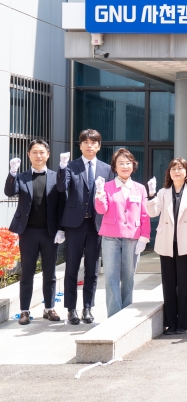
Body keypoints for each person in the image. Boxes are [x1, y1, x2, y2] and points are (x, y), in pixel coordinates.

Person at [57, 129, 115, 325]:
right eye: (86, 142)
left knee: (92, 269)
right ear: (80, 145)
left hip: (96, 225)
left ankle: (88, 308)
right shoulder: (70, 166)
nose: (90, 146)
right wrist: (62, 167)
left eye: (94, 142)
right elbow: (61, 187)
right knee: (72, 268)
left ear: (99, 146)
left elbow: (109, 198)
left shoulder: (106, 169)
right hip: (75, 225)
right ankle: (71, 309)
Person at [4, 140, 64, 325]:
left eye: (42, 152)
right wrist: (12, 172)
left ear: (48, 155)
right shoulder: (22, 177)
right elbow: (9, 192)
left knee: (50, 273)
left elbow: (62, 203)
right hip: (28, 232)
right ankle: (24, 311)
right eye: (35, 152)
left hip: (49, 233)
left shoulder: (55, 177)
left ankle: (49, 308)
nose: (39, 155)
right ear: (28, 155)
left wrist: (61, 229)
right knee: (27, 272)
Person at [146, 158, 187, 335]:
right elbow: (152, 213)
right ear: (169, 173)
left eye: (180, 168)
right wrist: (151, 195)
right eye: (173, 168)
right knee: (169, 284)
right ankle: (171, 323)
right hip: (166, 243)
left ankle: (183, 323)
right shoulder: (163, 192)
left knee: (185, 285)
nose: (177, 171)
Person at [94, 148, 150, 318]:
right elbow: (101, 209)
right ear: (115, 167)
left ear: (133, 165)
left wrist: (144, 237)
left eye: (128, 163)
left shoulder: (140, 188)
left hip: (133, 237)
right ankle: (113, 316)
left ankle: (126, 314)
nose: (125, 166)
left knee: (128, 277)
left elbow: (145, 214)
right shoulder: (107, 187)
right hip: (111, 237)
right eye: (121, 163)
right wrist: (99, 194)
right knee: (111, 277)